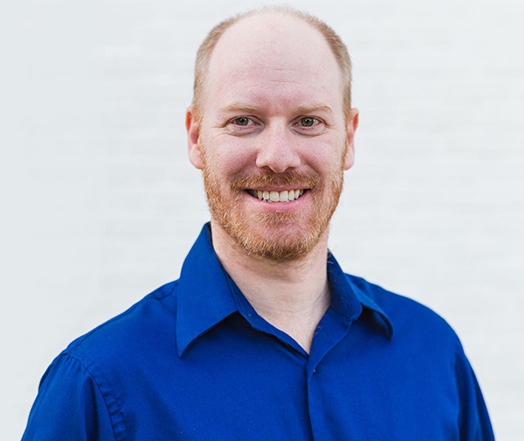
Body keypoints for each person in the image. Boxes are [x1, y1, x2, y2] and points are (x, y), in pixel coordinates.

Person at [22, 7, 495, 440]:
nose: (278, 157)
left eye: (308, 121)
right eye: (244, 120)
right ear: (195, 137)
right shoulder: (97, 384)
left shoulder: (432, 354)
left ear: (349, 139)